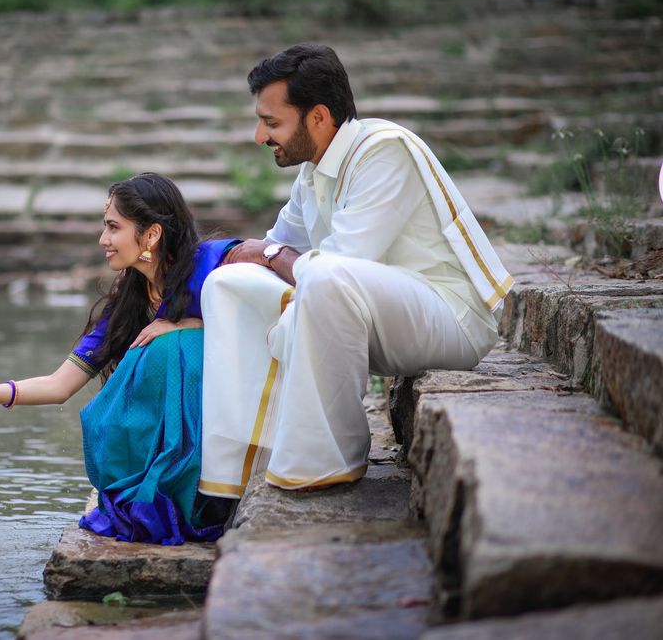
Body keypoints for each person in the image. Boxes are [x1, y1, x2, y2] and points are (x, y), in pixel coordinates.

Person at [197, 43, 513, 498]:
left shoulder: (385, 151)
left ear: (319, 117)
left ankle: (330, 457)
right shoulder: (313, 171)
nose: (259, 136)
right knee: (229, 283)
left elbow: (337, 263)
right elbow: (270, 248)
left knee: (325, 276)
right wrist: (192, 302)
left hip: (450, 319)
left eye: (271, 123)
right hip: (375, 318)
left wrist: (273, 258)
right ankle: (235, 471)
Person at [0, 173, 237, 545]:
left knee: (170, 347)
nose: (103, 240)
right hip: (176, 445)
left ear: (152, 235)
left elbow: (263, 307)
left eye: (113, 228)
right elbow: (58, 386)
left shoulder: (211, 265)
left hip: (226, 435)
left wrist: (188, 325)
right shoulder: (130, 304)